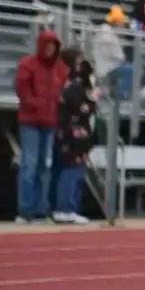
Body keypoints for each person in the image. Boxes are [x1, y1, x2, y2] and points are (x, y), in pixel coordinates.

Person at [13, 28, 67, 223]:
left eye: (53, 46)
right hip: (31, 121)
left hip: (49, 122)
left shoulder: (59, 68)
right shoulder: (27, 65)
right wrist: (37, 105)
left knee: (44, 166)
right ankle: (25, 210)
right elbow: (22, 91)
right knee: (30, 164)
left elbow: (62, 91)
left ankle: (39, 209)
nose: (50, 49)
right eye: (47, 45)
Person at [53, 52, 97, 225]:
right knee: (72, 171)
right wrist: (92, 101)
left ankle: (66, 208)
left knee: (73, 171)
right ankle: (66, 209)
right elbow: (82, 109)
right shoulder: (74, 88)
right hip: (73, 135)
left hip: (72, 133)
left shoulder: (72, 86)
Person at [90, 5, 131, 102]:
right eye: (121, 22)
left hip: (104, 67)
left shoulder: (104, 31)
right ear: (116, 22)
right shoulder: (109, 35)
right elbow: (120, 57)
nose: (123, 24)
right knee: (129, 69)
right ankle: (120, 96)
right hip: (107, 69)